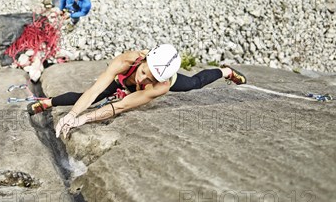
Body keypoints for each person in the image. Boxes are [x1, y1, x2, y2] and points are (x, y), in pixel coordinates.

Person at [26, 44, 247, 138]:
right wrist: (72, 115)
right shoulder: (128, 60)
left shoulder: (160, 85)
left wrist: (83, 120)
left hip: (150, 88)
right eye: (144, 71)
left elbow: (120, 106)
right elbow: (94, 90)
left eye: (149, 77)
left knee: (193, 84)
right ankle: (47, 102)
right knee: (96, 94)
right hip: (123, 77)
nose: (142, 78)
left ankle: (224, 71)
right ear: (144, 60)